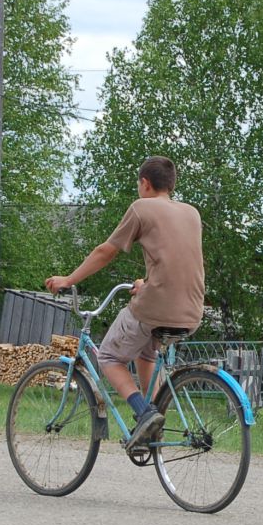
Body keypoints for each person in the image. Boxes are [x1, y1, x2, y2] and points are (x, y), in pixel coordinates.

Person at [45, 156, 205, 453]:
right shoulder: (191, 214)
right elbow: (175, 261)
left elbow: (106, 251)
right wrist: (146, 281)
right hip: (193, 309)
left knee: (108, 357)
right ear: (171, 184)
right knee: (146, 354)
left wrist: (69, 278)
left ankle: (144, 413)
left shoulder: (141, 208)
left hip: (157, 306)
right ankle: (151, 428)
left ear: (145, 183)